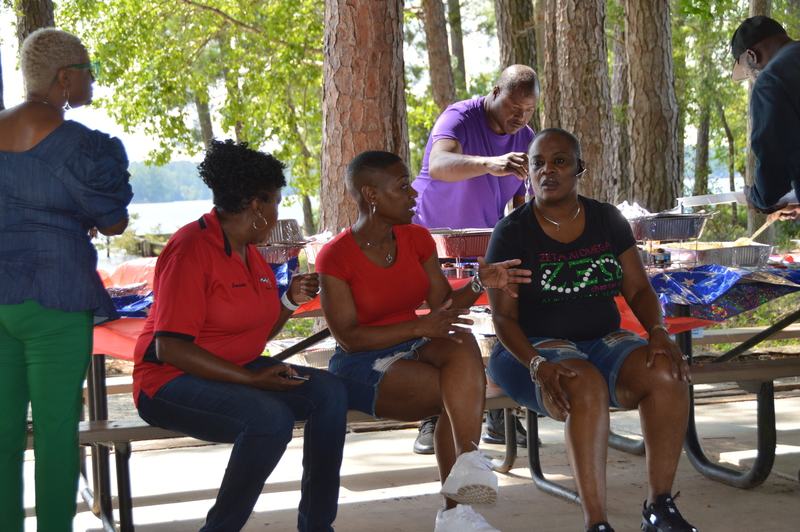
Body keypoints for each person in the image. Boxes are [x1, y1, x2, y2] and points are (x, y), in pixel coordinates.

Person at [485, 129, 697, 532]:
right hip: (528, 349)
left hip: (602, 342)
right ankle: (597, 523)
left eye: (559, 161)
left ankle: (659, 507)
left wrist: (657, 330)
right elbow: (504, 320)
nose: (547, 170)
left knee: (667, 372)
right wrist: (537, 365)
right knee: (584, 383)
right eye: (538, 163)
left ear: (579, 168)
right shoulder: (512, 232)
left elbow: (638, 288)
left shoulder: (606, 219)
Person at [132, 139, 347, 532]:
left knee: (330, 392)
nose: (278, 213)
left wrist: (288, 300)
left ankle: (317, 526)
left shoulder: (251, 253)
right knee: (270, 419)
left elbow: (255, 334)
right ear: (257, 207)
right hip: (168, 382)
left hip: (237, 370)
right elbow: (170, 348)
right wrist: (251, 379)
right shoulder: (191, 250)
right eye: (277, 202)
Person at [315, 150, 531, 532]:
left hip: (415, 345)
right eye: (403, 186)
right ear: (371, 195)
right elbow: (348, 339)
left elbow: (443, 306)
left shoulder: (416, 238)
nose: (414, 193)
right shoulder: (335, 256)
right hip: (360, 363)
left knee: (460, 343)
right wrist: (419, 329)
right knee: (458, 393)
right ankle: (456, 508)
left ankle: (464, 479)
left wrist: (480, 282)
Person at [0, 28, 133, 532]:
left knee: (2, 434)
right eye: (88, 71)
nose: (92, 80)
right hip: (55, 295)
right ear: (64, 78)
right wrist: (82, 215)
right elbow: (114, 220)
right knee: (57, 432)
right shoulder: (82, 145)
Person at [412, 64, 540, 452]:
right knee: (438, 321)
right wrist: (489, 163)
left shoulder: (526, 138)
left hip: (482, 244)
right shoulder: (460, 117)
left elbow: (521, 203)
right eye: (514, 107)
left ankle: (499, 416)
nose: (520, 117)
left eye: (529, 110)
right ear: (495, 92)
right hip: (431, 240)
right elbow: (439, 165)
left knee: (502, 316)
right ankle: (431, 415)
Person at [730, 16, 800, 219]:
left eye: (747, 72)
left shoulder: (771, 80)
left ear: (752, 55)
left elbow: (773, 163)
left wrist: (757, 198)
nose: (752, 79)